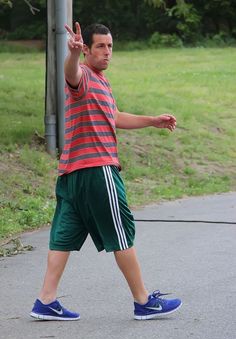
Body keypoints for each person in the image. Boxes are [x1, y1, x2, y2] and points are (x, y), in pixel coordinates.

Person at [30, 22, 181, 321]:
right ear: (85, 48)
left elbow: (113, 117)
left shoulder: (102, 82)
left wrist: (152, 120)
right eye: (100, 46)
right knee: (121, 232)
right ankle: (143, 301)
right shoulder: (84, 74)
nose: (107, 52)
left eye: (110, 46)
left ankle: (45, 300)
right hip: (97, 170)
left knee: (63, 237)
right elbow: (71, 75)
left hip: (71, 175)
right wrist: (72, 55)